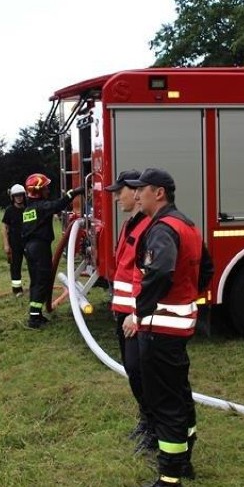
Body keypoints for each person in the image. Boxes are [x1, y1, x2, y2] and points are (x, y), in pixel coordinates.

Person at [123, 168, 202, 487]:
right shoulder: (188, 225)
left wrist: (140, 313)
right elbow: (206, 269)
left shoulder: (162, 230)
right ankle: (184, 461)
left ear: (160, 193)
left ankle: (169, 479)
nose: (136, 195)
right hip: (179, 323)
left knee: (165, 402)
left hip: (160, 327)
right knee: (180, 395)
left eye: (142, 190)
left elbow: (159, 274)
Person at [105, 170, 155, 454]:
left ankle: (154, 426)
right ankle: (146, 419)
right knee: (132, 370)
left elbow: (146, 276)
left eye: (118, 192)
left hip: (136, 316)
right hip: (122, 311)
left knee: (140, 370)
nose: (115, 198)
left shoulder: (149, 228)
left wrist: (135, 314)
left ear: (135, 192)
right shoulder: (128, 226)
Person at [20, 173, 84, 329]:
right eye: (45, 187)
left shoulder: (29, 209)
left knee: (37, 281)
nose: (48, 190)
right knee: (42, 281)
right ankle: (34, 319)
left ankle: (36, 314)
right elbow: (57, 205)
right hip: (39, 248)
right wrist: (74, 192)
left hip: (30, 248)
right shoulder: (41, 207)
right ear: (38, 190)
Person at [1, 184, 27, 297]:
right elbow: (4, 228)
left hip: (28, 242)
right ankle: (17, 290)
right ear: (12, 197)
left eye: (20, 195)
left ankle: (36, 287)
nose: (19, 198)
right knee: (15, 266)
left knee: (34, 265)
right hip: (14, 243)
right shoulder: (9, 210)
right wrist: (6, 245)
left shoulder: (29, 208)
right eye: (16, 196)